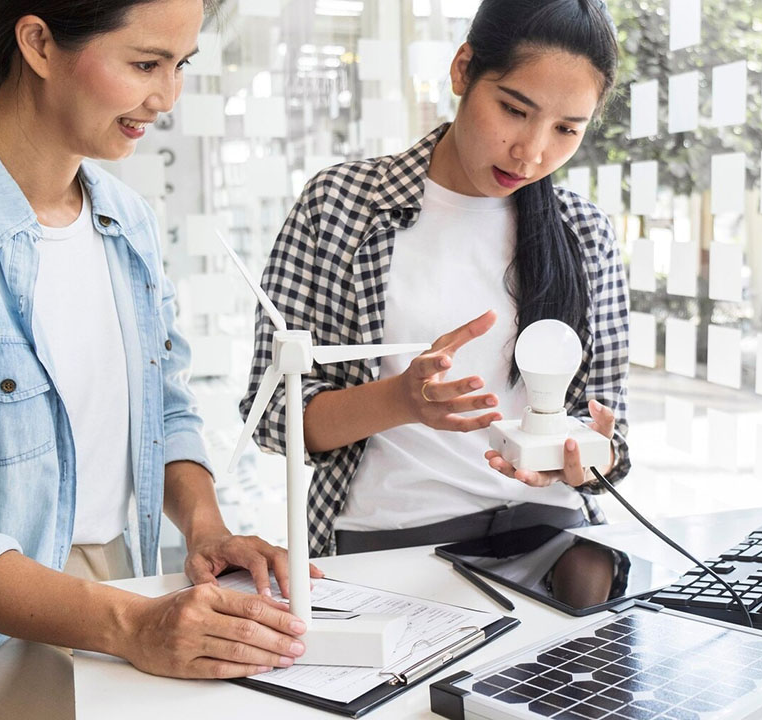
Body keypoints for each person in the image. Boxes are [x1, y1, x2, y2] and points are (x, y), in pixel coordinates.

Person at [0, 2, 318, 718]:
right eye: (145, 64)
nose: (167, 97)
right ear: (39, 43)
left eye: (180, 66)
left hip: (117, 585)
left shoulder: (124, 219)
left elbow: (164, 407)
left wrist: (207, 528)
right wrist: (131, 626)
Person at [243, 0, 632, 558]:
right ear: (462, 69)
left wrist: (582, 462)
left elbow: (612, 444)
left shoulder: (584, 233)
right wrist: (400, 399)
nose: (532, 152)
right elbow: (271, 414)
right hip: (387, 540)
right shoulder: (341, 206)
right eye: (514, 110)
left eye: (567, 129)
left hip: (555, 538)